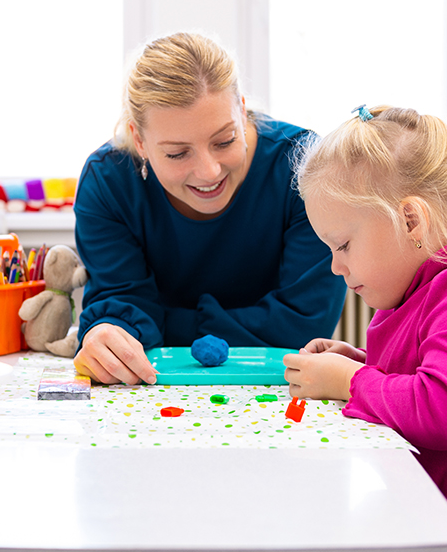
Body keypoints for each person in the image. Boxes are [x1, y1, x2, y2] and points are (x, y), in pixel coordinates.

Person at [72, 32, 346, 386]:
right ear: (139, 140)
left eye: (225, 140)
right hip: (154, 391)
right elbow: (120, 307)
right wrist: (108, 335)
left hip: (281, 388)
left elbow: (303, 325)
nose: (209, 172)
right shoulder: (108, 182)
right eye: (177, 153)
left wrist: (160, 324)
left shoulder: (305, 167)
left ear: (242, 110)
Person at [283, 105, 447, 543]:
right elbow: (424, 369)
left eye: (342, 245)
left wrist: (352, 381)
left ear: (410, 220)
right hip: (425, 507)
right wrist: (360, 362)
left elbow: (446, 410)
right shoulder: (419, 281)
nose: (335, 267)